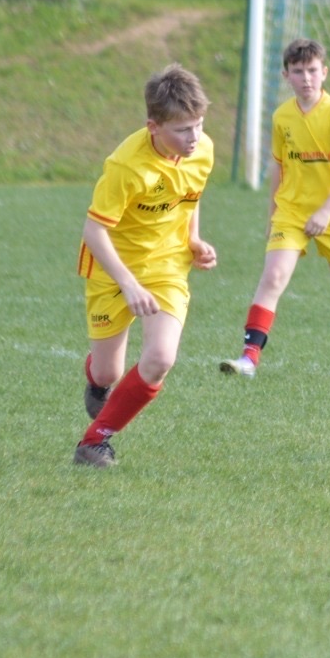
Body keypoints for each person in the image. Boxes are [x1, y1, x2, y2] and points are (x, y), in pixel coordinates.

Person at [75, 63, 217, 467]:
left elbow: (190, 194)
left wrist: (193, 239)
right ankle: (98, 382)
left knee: (160, 359)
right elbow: (94, 231)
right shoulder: (126, 166)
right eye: (183, 130)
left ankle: (94, 442)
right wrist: (129, 283)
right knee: (108, 374)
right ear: (153, 126)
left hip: (168, 266)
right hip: (113, 267)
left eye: (199, 125)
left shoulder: (202, 149)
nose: (194, 138)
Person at [220, 38, 330, 381]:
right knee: (273, 276)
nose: (306, 78)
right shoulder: (282, 117)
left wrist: (326, 211)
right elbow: (279, 166)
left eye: (312, 71)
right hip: (291, 211)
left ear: (325, 73)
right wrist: (272, 213)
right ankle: (248, 359)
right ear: (286, 75)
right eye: (298, 71)